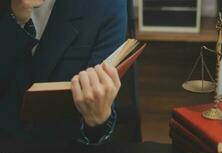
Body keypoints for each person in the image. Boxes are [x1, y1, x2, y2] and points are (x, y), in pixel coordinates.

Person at [0, 0, 127, 145]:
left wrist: (99, 119)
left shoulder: (107, 6)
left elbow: (97, 115)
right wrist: (16, 18)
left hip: (63, 149)